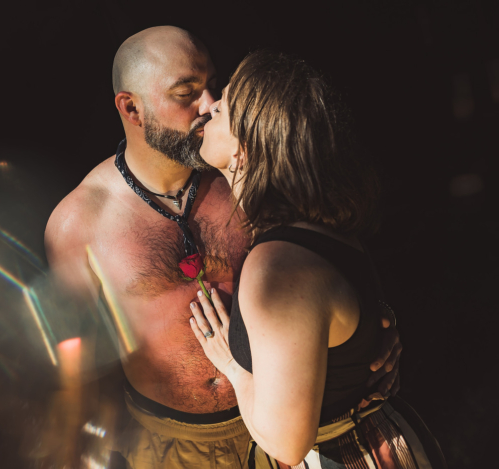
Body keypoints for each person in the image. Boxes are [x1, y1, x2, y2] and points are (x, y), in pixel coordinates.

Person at [44, 27, 401, 469]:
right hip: (168, 445)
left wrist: (373, 329)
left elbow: (327, 259)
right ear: (131, 108)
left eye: (214, 82)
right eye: (186, 91)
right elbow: (79, 365)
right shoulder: (79, 223)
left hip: (282, 433)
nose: (209, 102)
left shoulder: (247, 176)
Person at [189, 50, 446, 468]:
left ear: (248, 146)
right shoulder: (319, 232)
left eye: (227, 105)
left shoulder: (278, 266)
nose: (212, 105)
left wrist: (233, 366)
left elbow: (287, 444)